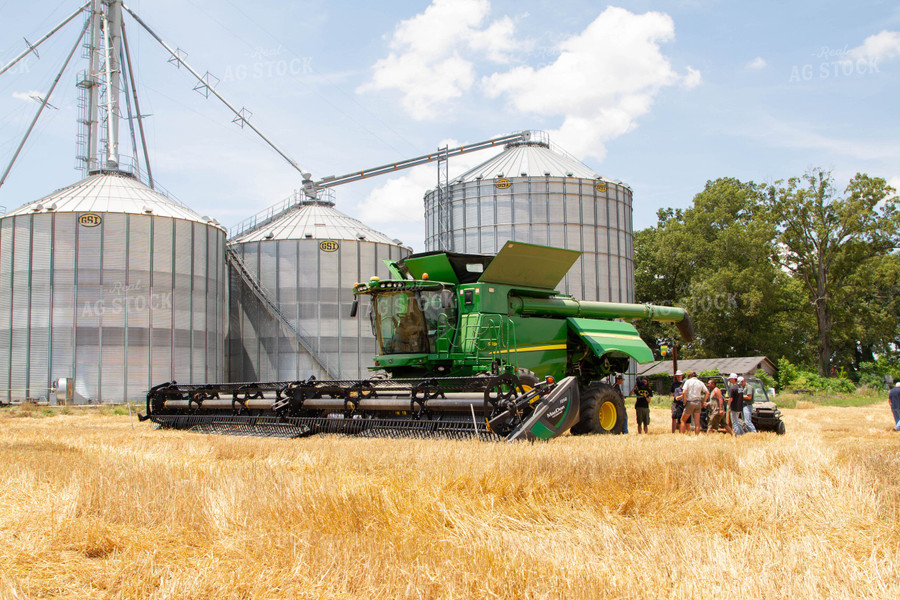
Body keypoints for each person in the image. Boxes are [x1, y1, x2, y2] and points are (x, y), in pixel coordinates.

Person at [679, 370, 708, 435]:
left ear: (689, 376)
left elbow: (684, 392)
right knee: (697, 422)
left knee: (683, 420)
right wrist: (703, 402)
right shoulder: (700, 382)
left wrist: (685, 401)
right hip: (698, 402)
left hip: (690, 402)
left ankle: (682, 435)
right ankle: (697, 435)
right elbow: (707, 393)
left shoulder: (688, 382)